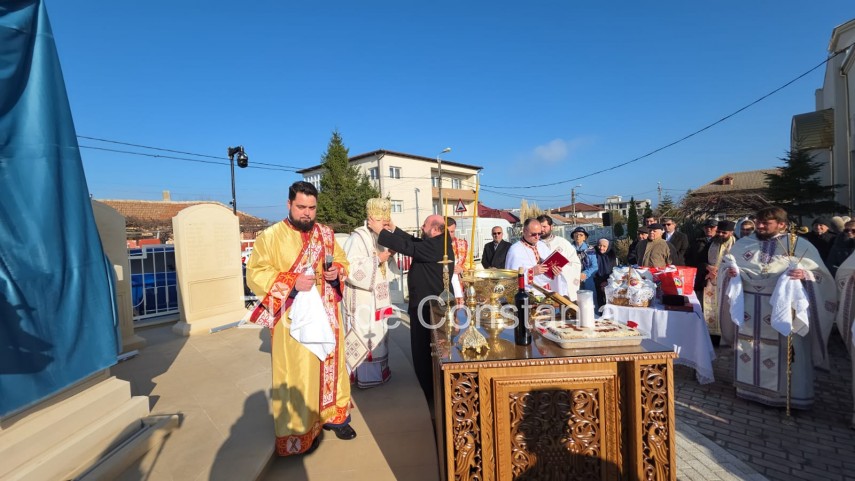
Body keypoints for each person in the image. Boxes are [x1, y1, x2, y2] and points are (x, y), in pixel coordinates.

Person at [246, 181, 355, 456]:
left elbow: (342, 261)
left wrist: (337, 272)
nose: (307, 213)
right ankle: (303, 430)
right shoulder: (270, 237)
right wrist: (292, 281)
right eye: (301, 207)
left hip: (328, 314)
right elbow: (256, 273)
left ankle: (334, 416)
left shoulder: (327, 235)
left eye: (312, 208)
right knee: (300, 373)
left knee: (331, 366)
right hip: (293, 318)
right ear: (289, 205)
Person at [719, 206, 836, 409]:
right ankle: (749, 389)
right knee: (748, 347)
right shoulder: (743, 244)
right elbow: (725, 268)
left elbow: (821, 276)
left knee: (789, 350)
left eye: (766, 223)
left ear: (781, 224)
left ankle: (785, 396)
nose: (760, 226)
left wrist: (805, 276)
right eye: (758, 222)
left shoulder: (798, 245)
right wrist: (729, 274)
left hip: (783, 307)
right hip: (748, 307)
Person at [370, 214, 452, 404]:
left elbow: (410, 247)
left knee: (424, 349)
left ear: (434, 229)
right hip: (425, 304)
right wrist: (394, 229)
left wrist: (380, 231)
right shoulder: (438, 241)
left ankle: (428, 393)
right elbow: (415, 242)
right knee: (424, 348)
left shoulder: (438, 244)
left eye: (424, 225)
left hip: (428, 307)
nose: (421, 228)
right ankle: (427, 388)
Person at [342, 198, 398, 389]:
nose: (386, 226)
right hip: (362, 299)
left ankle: (380, 373)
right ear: (372, 219)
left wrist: (389, 256)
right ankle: (361, 377)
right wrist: (378, 259)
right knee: (364, 334)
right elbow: (348, 269)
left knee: (379, 334)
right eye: (383, 223)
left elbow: (386, 267)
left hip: (379, 297)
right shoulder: (357, 238)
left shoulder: (380, 236)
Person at [505, 218, 566, 295]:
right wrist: (532, 272)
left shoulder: (542, 245)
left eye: (539, 234)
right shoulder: (515, 250)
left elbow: (551, 266)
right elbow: (511, 278)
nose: (537, 237)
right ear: (524, 231)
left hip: (548, 291)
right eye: (533, 234)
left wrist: (556, 271)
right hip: (528, 293)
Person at [701, 220, 736, 346]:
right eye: (719, 232)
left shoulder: (736, 244)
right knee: (710, 308)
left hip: (727, 281)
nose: (720, 235)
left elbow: (735, 264)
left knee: (724, 309)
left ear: (731, 232)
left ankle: (725, 336)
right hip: (711, 280)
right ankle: (711, 336)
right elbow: (701, 258)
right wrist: (708, 267)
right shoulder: (712, 242)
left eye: (724, 233)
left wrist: (720, 271)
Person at [537, 215, 582, 301]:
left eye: (544, 226)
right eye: (540, 227)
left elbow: (576, 263)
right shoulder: (534, 244)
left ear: (551, 227)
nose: (542, 229)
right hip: (541, 285)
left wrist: (561, 268)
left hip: (561, 286)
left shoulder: (563, 243)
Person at [687, 219, 718, 303]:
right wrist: (705, 266)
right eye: (706, 227)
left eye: (712, 227)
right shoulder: (697, 241)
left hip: (716, 278)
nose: (709, 229)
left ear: (717, 228)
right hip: (700, 279)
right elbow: (690, 259)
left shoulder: (721, 242)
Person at [570, 226, 598, 299]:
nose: (578, 236)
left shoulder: (590, 249)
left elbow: (595, 266)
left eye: (581, 235)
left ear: (585, 237)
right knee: (573, 301)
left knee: (590, 301)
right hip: (572, 279)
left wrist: (585, 273)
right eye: (576, 234)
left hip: (587, 278)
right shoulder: (569, 249)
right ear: (573, 236)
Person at [446, 218, 467, 305]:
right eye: (447, 232)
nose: (450, 235)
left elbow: (470, 266)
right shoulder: (435, 246)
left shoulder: (462, 244)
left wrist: (461, 270)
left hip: (459, 285)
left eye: (452, 231)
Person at [593, 238, 617, 307]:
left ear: (608, 247)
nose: (601, 248)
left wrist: (607, 281)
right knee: (599, 301)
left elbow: (613, 270)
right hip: (597, 281)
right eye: (599, 245)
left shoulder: (611, 255)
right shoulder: (594, 253)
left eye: (604, 246)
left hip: (608, 281)